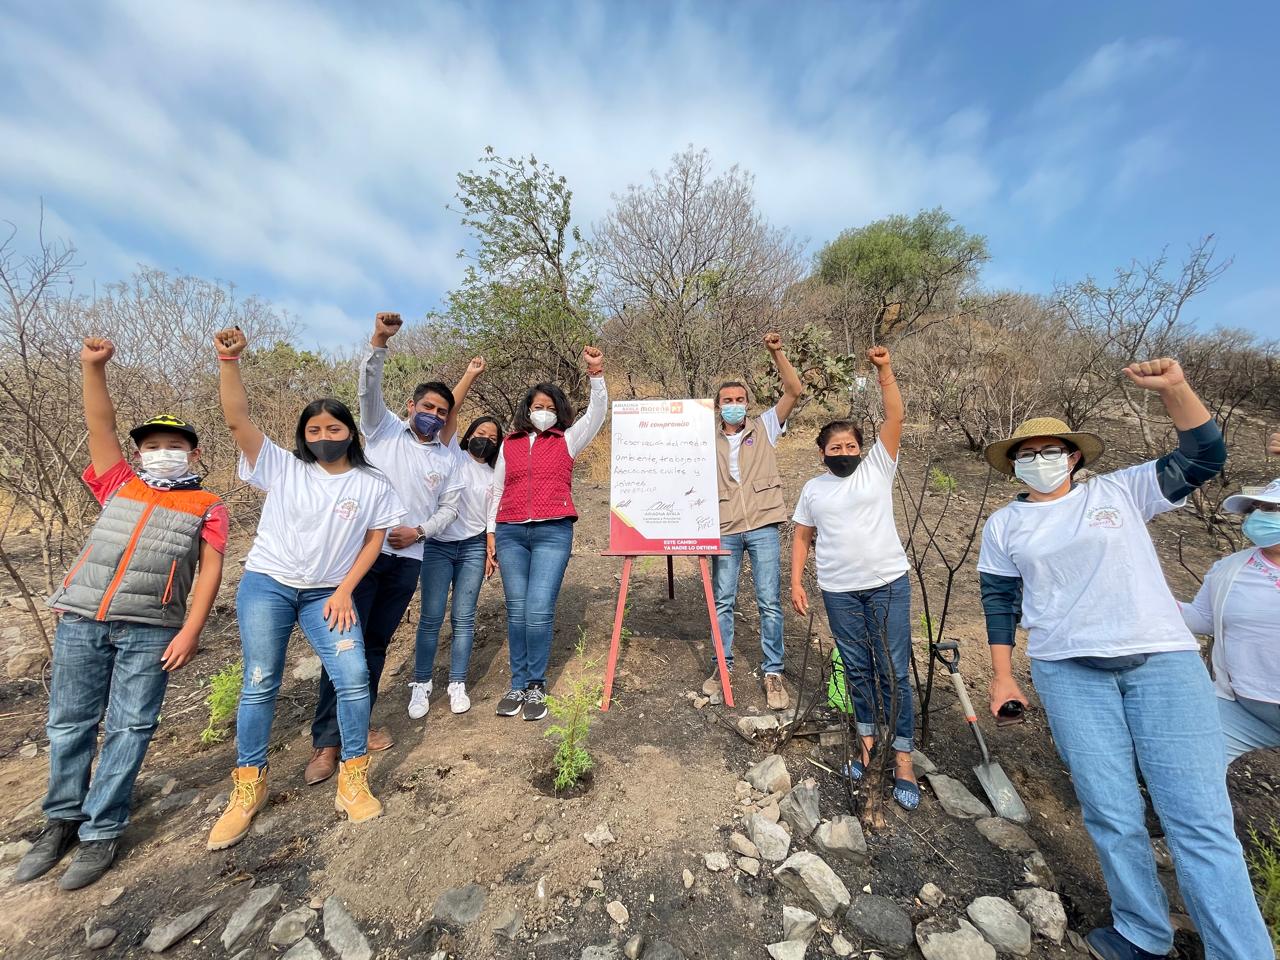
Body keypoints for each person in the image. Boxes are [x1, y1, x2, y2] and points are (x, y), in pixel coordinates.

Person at [977, 358, 1271, 960]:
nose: (1039, 459)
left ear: (1074, 456)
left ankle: (1239, 950)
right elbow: (999, 600)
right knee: (1111, 812)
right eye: (1026, 453)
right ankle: (1142, 930)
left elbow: (1204, 456)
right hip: (1067, 670)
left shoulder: (1122, 491)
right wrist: (1003, 674)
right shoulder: (1004, 524)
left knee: (1199, 819)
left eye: (1051, 449)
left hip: (1163, 663)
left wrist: (1177, 390)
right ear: (1014, 464)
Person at [15, 338, 227, 890]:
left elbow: (209, 571)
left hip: (151, 630)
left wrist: (191, 630)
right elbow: (99, 423)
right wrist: (92, 368)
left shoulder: (208, 505)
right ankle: (60, 821)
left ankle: (102, 829)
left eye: (174, 444)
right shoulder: (119, 483)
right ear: (139, 453)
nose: (162, 451)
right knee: (68, 725)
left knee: (130, 728)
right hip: (83, 618)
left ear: (194, 454)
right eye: (153, 444)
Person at [207, 327, 404, 851]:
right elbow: (236, 420)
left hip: (326, 595)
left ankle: (353, 778)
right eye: (314, 428)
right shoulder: (281, 466)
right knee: (260, 681)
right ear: (304, 434)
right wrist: (229, 361)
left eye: (333, 426)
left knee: (355, 675)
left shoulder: (372, 482)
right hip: (267, 586)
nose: (324, 434)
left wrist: (344, 591)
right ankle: (249, 786)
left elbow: (375, 540)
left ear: (349, 431)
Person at [304, 313, 463, 784]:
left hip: (407, 563)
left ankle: (360, 722)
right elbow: (366, 392)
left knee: (374, 645)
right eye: (426, 406)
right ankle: (326, 743)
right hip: (359, 558)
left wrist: (420, 532)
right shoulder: (383, 430)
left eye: (441, 411)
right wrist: (378, 344)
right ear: (412, 405)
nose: (431, 415)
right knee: (343, 646)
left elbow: (449, 509)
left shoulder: (446, 459)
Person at [790, 347, 917, 809]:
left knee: (894, 672)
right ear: (822, 452)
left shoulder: (878, 468)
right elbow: (802, 537)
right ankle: (866, 747)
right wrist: (797, 582)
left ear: (860, 448)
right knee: (858, 670)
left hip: (887, 584)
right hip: (839, 591)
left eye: (849, 446)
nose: (843, 453)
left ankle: (903, 759)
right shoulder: (813, 489)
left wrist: (885, 370)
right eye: (834, 447)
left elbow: (895, 415)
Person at [487, 347, 607, 721]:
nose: (544, 411)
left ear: (558, 412)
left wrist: (596, 374)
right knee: (517, 610)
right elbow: (496, 489)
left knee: (538, 610)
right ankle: (517, 683)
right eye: (538, 405)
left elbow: (598, 413)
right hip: (510, 533)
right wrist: (490, 532)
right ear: (527, 409)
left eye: (550, 407)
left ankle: (536, 684)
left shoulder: (568, 440)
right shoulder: (510, 443)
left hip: (553, 532)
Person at [708, 332, 804, 711]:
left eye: (739, 400)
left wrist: (777, 352)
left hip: (763, 525)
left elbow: (794, 390)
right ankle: (722, 667)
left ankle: (773, 671)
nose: (734, 405)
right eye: (727, 401)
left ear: (748, 403)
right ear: (717, 406)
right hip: (725, 528)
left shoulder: (765, 427)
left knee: (769, 601)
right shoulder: (703, 437)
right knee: (723, 600)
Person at [408, 356, 498, 718]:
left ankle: (457, 682)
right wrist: (470, 375)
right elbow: (451, 410)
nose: (485, 440)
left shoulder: (495, 472)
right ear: (468, 433)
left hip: (474, 548)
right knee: (430, 617)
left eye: (493, 438)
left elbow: (493, 515)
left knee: (464, 618)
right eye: (480, 434)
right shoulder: (451, 456)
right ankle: (421, 685)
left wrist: (492, 546)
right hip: (438, 547)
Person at [1179, 476, 1280, 765]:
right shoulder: (1230, 568)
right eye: (1259, 508)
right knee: (1182, 763)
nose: (1262, 515)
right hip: (1246, 709)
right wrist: (1153, 600)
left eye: (1275, 508)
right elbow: (1203, 619)